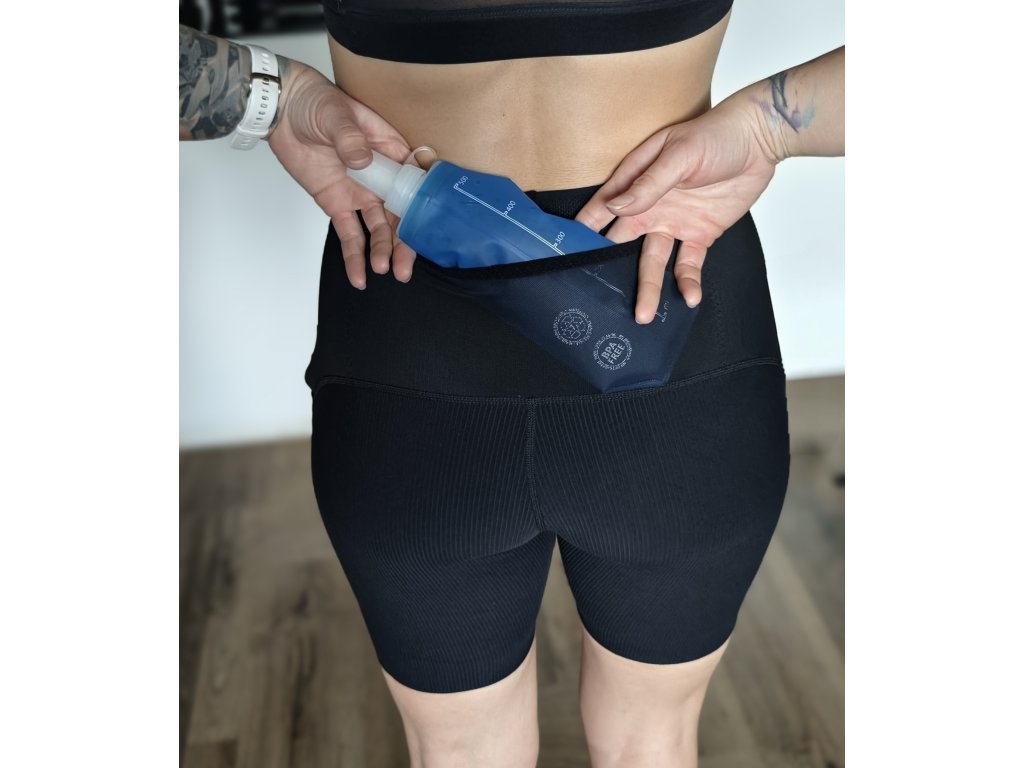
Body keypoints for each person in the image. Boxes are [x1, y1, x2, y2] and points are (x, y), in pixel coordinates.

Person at [180, 3, 843, 765]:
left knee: (460, 751)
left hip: (410, 322)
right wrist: (768, 126)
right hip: (666, 311)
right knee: (651, 742)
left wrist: (271, 97)